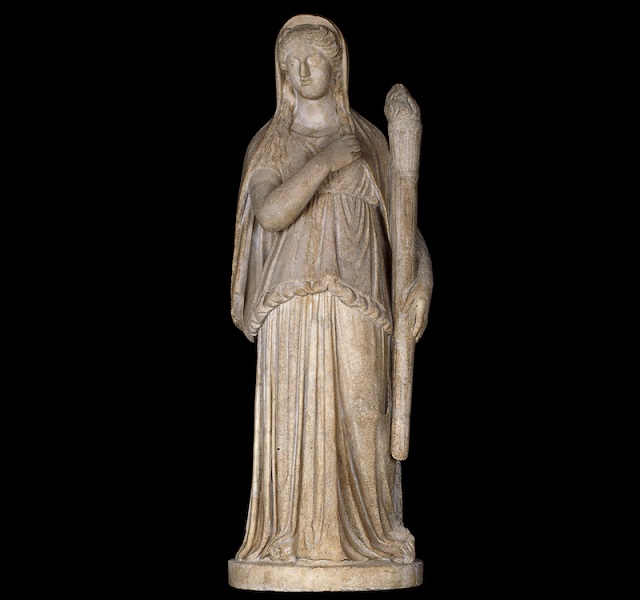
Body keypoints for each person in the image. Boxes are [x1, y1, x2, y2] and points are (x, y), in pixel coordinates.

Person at [230, 14, 433, 566]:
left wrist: (423, 282)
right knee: (295, 421)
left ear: (337, 66)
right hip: (292, 299)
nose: (302, 72)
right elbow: (270, 213)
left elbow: (404, 225)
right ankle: (291, 540)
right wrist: (324, 162)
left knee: (365, 414)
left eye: (313, 59)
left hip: (360, 296)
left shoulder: (369, 140)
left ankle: (376, 532)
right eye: (291, 64)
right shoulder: (272, 143)